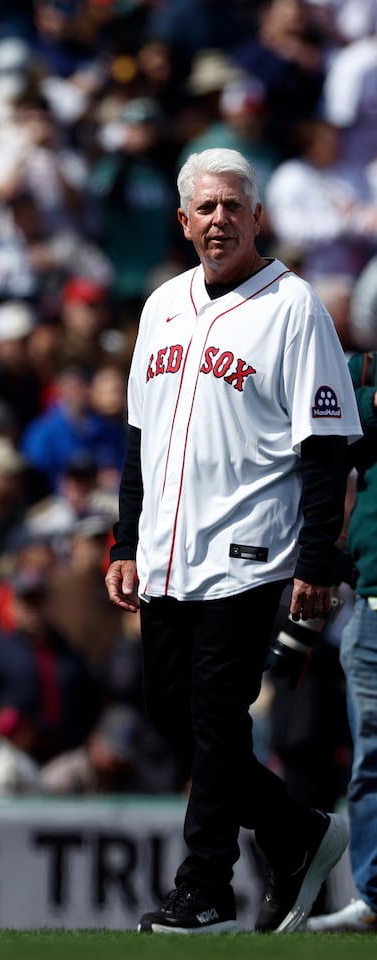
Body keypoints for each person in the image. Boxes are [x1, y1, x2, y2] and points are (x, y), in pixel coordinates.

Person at [104, 147, 355, 933]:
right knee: (169, 713)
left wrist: (317, 562)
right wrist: (122, 540)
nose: (218, 220)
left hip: (252, 547)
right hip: (168, 550)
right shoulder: (161, 306)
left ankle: (206, 886)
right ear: (182, 221)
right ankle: (296, 831)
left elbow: (325, 445)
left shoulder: (295, 306)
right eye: (204, 208)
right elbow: (139, 438)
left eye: (232, 206)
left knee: (216, 716)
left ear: (257, 217)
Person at [308, 349, 377, 932]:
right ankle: (375, 899)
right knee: (370, 761)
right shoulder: (359, 372)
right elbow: (322, 434)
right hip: (372, 600)